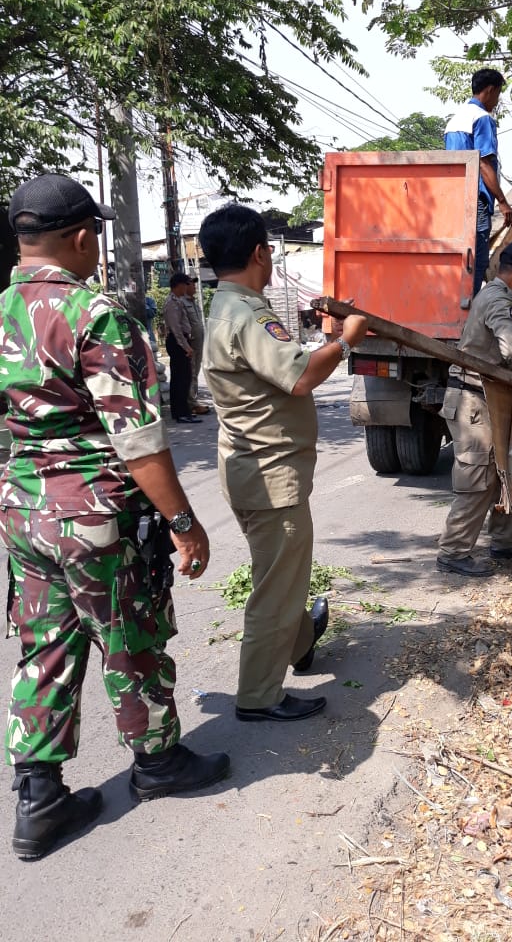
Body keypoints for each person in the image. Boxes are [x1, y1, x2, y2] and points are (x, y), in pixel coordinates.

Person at [0, 174, 229, 860]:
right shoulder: (94, 314)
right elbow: (138, 441)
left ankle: (38, 799)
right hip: (93, 513)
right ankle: (158, 762)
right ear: (80, 238)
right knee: (129, 635)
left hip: (23, 510)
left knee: (45, 646)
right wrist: (183, 523)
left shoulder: (3, 309)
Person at [199, 203, 368, 723]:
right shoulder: (249, 314)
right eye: (270, 251)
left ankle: (300, 642)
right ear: (259, 253)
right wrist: (345, 341)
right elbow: (301, 377)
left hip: (249, 468)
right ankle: (259, 696)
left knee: (280, 574)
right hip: (270, 476)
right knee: (275, 588)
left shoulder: (226, 307)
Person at [437, 241, 512, 577]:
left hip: (488, 396)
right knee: (477, 476)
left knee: (505, 468)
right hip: (472, 399)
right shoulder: (497, 299)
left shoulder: (495, 295)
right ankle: (453, 552)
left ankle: (505, 542)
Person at [444, 68, 512, 295]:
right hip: (476, 200)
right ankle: (471, 310)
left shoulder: (455, 120)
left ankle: (457, 307)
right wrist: (502, 202)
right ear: (491, 90)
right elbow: (483, 164)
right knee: (477, 260)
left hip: (453, 199)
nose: (497, 101)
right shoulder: (482, 118)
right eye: (498, 94)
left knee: (458, 259)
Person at [163, 271, 200, 424]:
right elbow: (176, 329)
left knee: (184, 378)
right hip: (177, 342)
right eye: (186, 284)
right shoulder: (172, 302)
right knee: (180, 379)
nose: (187, 287)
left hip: (181, 341)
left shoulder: (178, 300)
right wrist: (186, 347)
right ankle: (180, 413)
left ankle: (184, 411)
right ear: (179, 285)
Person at [182, 275, 210, 416]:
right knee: (191, 373)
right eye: (191, 284)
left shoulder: (193, 301)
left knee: (196, 372)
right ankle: (192, 404)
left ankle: (194, 400)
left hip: (199, 342)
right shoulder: (181, 302)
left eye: (194, 284)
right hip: (191, 343)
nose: (194, 286)